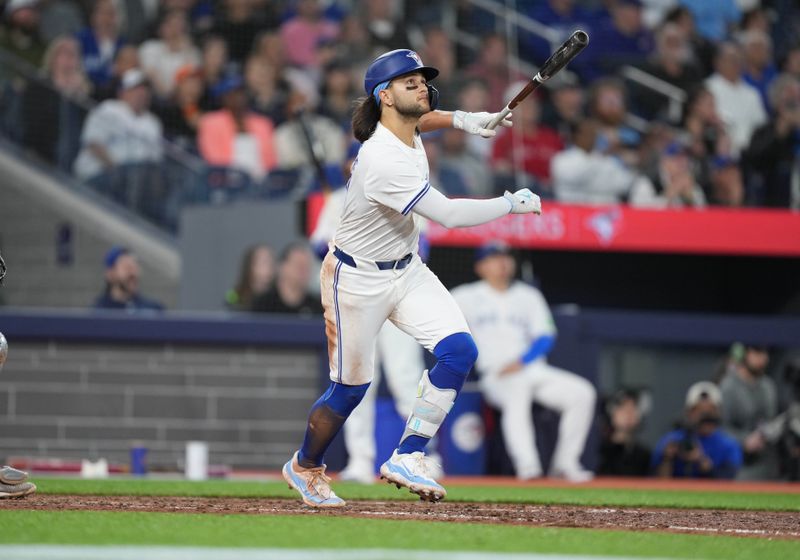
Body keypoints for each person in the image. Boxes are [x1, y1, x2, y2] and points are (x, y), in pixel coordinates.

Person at [281, 48, 540, 507]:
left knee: (459, 351)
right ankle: (304, 466)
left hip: (406, 269)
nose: (421, 86)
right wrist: (508, 204)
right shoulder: (382, 157)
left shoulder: (406, 127)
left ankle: (409, 453)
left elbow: (427, 121)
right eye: (409, 82)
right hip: (355, 280)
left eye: (421, 79)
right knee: (350, 391)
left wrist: (468, 119)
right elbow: (451, 215)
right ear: (384, 96)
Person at [452, 242, 596, 482]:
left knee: (583, 393)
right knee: (517, 392)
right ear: (481, 267)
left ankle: (565, 464)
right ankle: (529, 469)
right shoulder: (466, 295)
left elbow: (546, 335)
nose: (502, 262)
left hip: (532, 369)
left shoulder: (528, 295)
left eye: (506, 257)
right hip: (497, 374)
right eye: (494, 258)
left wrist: (524, 360)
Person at [652, 381, 742, 479]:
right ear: (688, 413)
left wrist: (702, 462)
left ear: (718, 412)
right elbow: (656, 481)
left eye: (711, 410)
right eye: (699, 410)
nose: (705, 416)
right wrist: (667, 459)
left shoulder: (728, 445)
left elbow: (728, 481)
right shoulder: (672, 440)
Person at [718, 343, 780, 480]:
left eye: (764, 353)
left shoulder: (768, 386)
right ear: (745, 355)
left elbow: (771, 419)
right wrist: (744, 440)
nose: (762, 358)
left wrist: (768, 432)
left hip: (766, 459)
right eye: (757, 352)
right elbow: (721, 427)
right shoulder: (728, 387)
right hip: (739, 461)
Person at [251, 242, 322, 316]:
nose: (303, 271)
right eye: (298, 265)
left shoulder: (317, 307)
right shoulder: (263, 304)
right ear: (282, 267)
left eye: (307, 266)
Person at [597, 389, 651, 476]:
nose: (628, 414)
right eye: (623, 409)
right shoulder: (599, 450)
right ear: (612, 413)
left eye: (633, 409)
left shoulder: (643, 454)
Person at [93, 246, 164, 311]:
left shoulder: (153, 309)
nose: (133, 273)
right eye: (127, 268)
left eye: (135, 268)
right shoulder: (99, 311)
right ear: (110, 273)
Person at [225, 244, 275, 311]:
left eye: (271, 261)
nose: (270, 266)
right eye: (264, 262)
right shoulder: (234, 295)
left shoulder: (278, 297)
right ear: (251, 266)